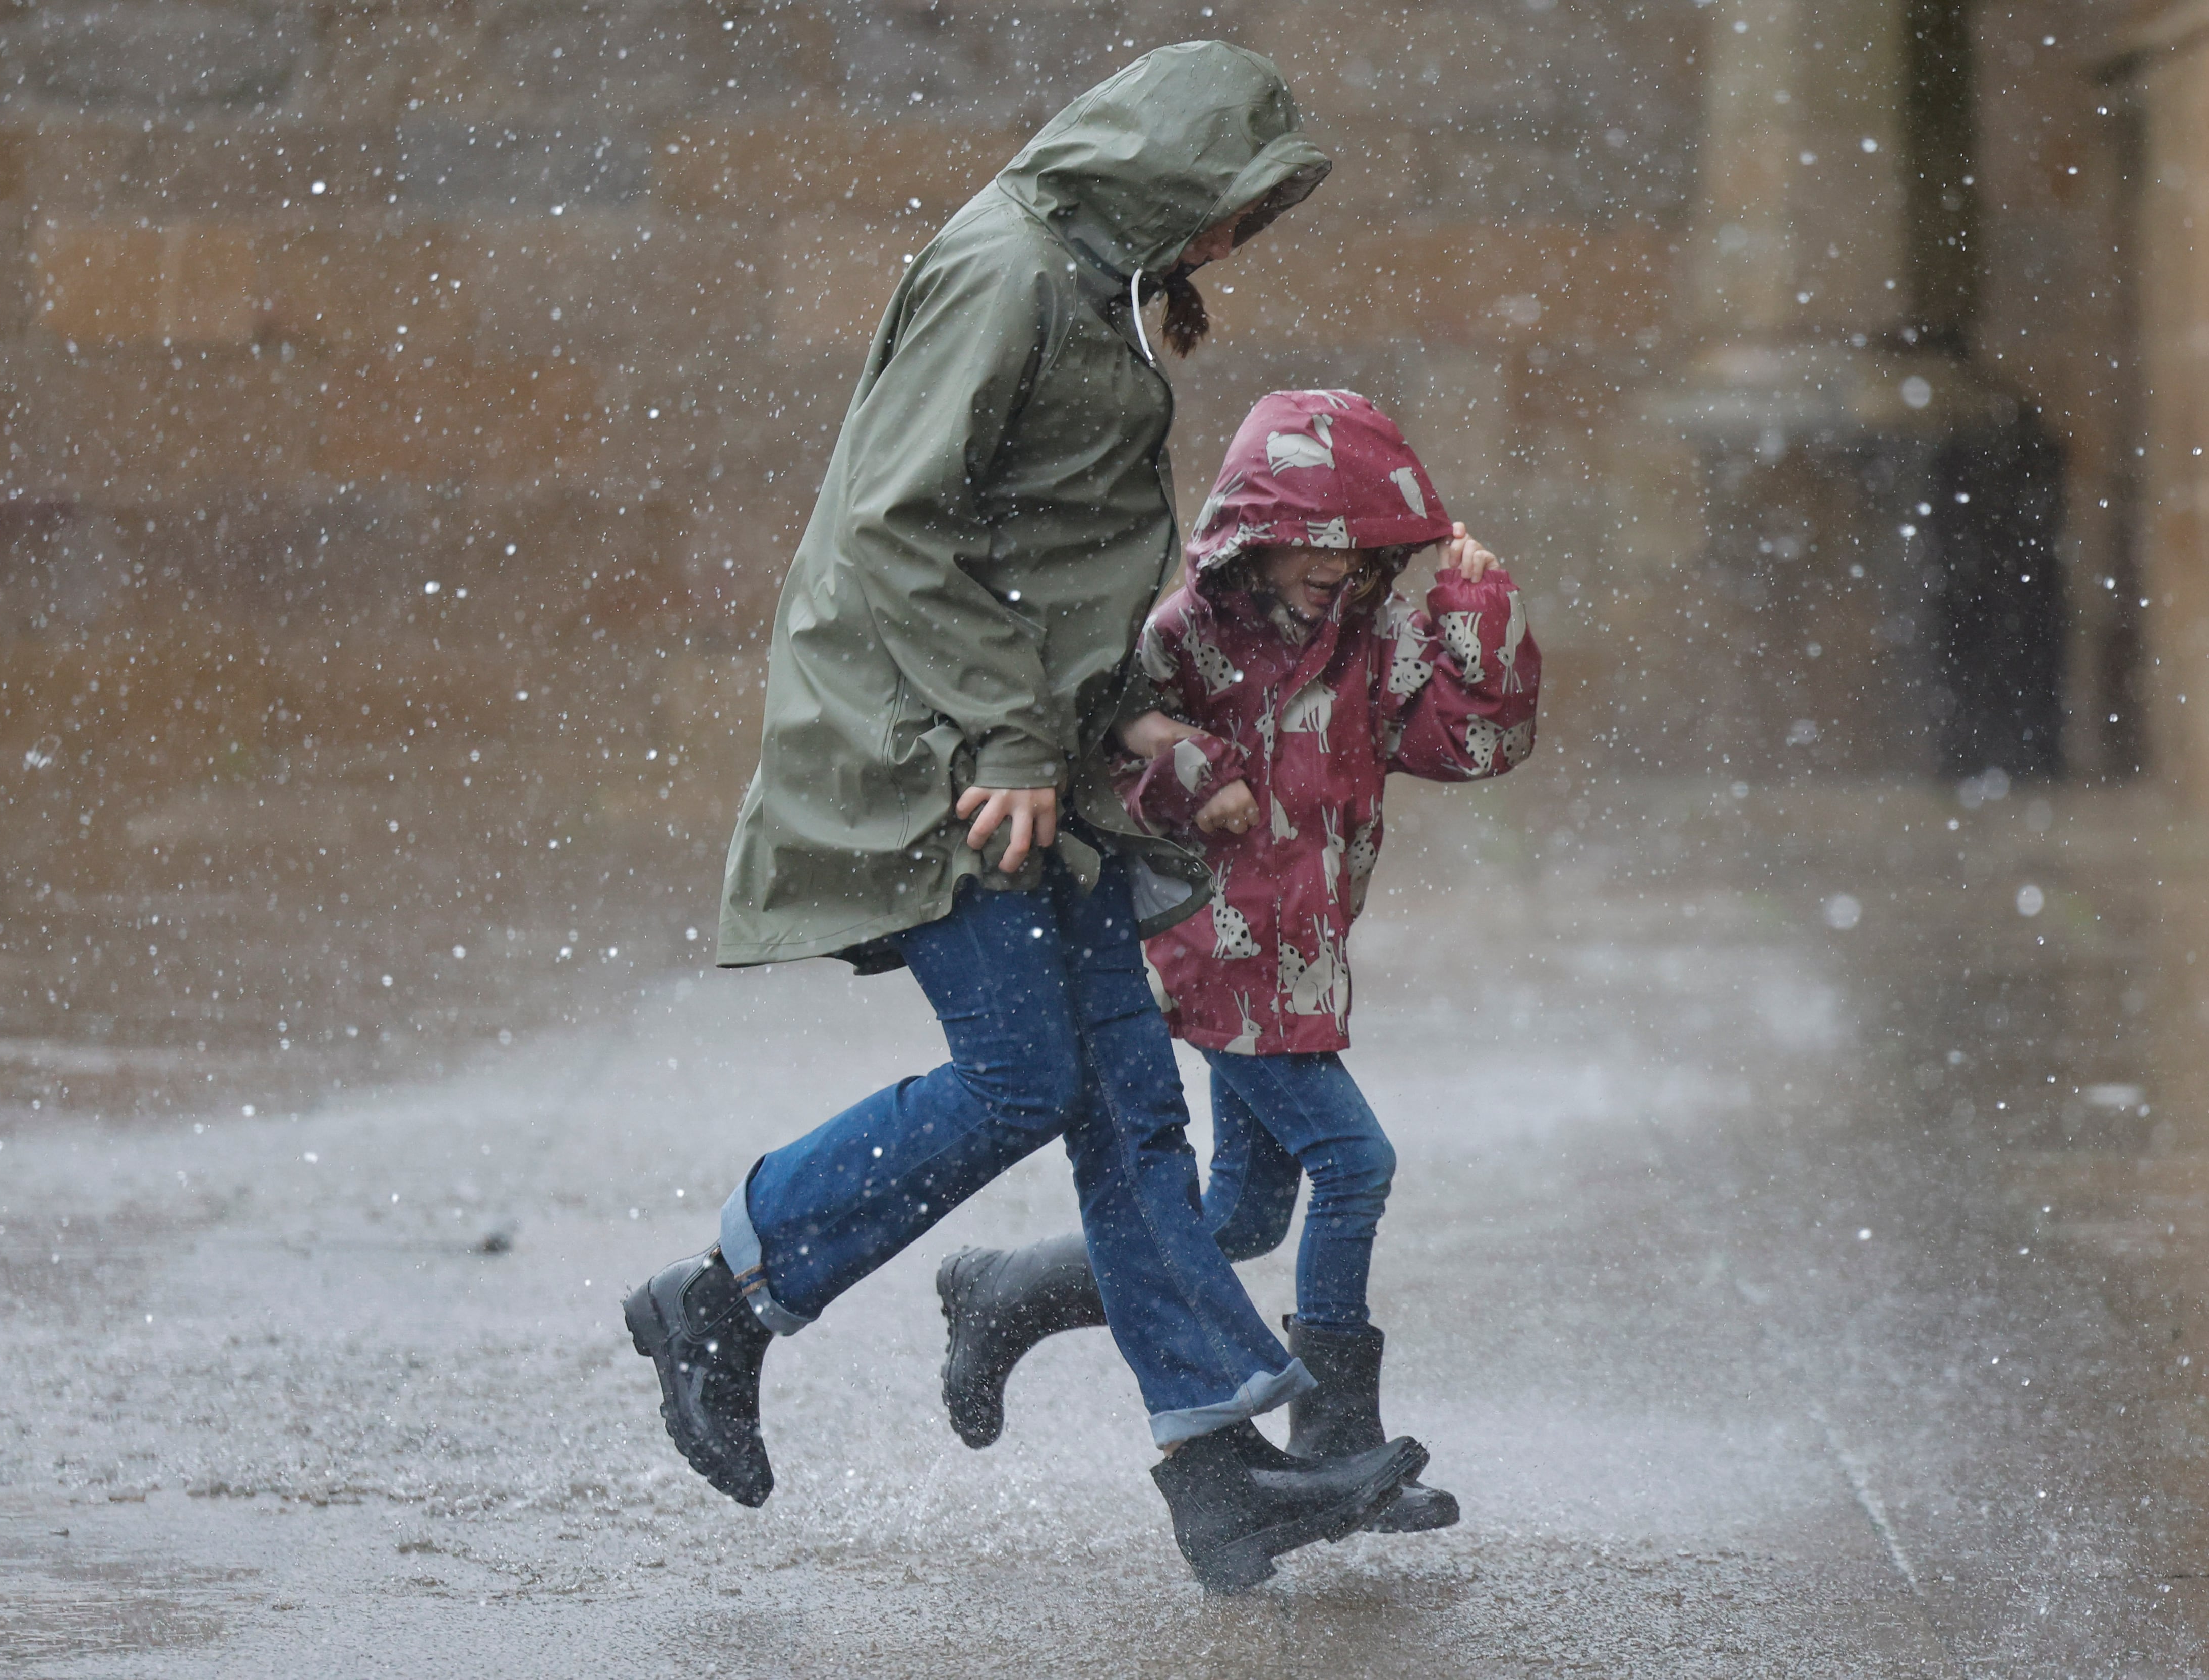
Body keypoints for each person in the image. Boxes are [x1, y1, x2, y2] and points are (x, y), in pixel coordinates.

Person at [621, 46, 1427, 1594]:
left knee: (1129, 1101)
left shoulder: (1090, 281)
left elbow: (1047, 546)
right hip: (932, 754)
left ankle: (1219, 1469)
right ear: (1163, 174)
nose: (1225, 250)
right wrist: (1007, 729)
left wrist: (1120, 709)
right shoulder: (1007, 269)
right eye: (1225, 213)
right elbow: (900, 523)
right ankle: (722, 1290)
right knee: (1025, 1075)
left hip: (1030, 758)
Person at [933, 389, 1542, 1534]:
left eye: (1356, 544)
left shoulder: (1371, 644)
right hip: (1209, 950)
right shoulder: (1186, 636)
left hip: (1298, 965)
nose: (1333, 565)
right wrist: (1189, 772)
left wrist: (1477, 606)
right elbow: (1104, 760)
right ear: (1255, 530)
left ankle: (1006, 1289)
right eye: (1309, 537)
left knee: (1243, 1216)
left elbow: (1474, 742)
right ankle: (1337, 1438)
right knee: (1354, 1162)